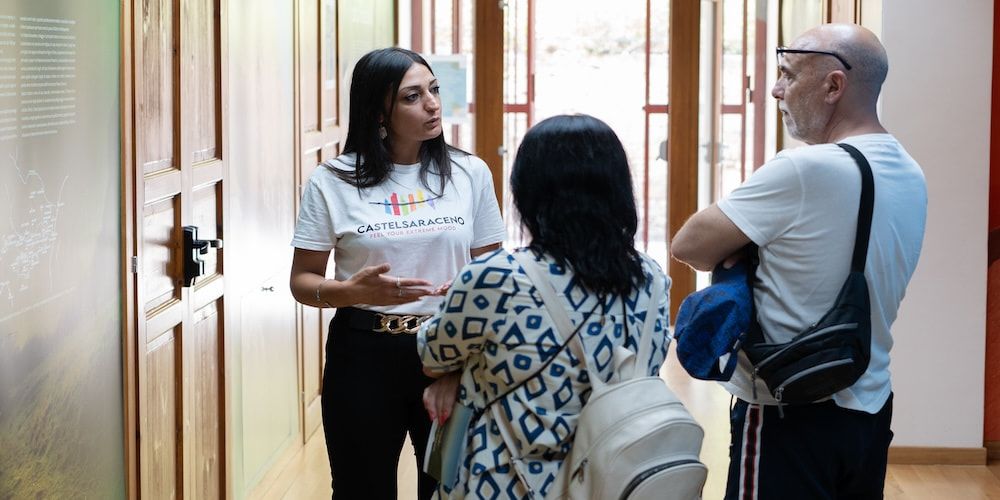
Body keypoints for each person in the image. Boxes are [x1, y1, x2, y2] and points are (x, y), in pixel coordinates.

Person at [672, 24, 927, 499]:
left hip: (786, 411)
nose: (776, 89)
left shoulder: (806, 168)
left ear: (833, 86)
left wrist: (745, 247)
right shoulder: (910, 172)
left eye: (788, 74)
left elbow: (689, 245)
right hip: (869, 407)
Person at [288, 47, 506, 500]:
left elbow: (493, 274)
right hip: (362, 354)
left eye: (434, 90)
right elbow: (303, 280)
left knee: (450, 490)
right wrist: (349, 291)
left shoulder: (469, 173)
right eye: (412, 96)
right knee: (360, 490)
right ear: (378, 112)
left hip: (449, 352)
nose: (432, 104)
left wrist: (462, 334)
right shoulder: (332, 180)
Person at [417, 114, 672, 499]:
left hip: (504, 483)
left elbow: (433, 355)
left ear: (527, 192)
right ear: (620, 189)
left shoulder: (496, 277)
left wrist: (458, 317)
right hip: (611, 480)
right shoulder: (651, 279)